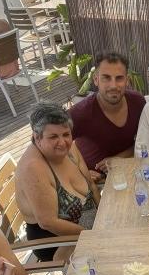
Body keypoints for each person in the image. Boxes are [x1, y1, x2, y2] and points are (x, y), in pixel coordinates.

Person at [15, 103, 99, 254]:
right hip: (58, 243)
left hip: (93, 228)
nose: (62, 142)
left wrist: (104, 218)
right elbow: (48, 223)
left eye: (66, 134)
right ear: (37, 137)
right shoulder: (33, 168)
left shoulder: (69, 148)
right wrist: (95, 236)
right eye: (53, 137)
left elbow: (91, 186)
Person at [69, 51, 146, 175]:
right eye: (106, 78)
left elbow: (144, 141)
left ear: (127, 80)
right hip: (96, 180)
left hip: (130, 171)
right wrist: (80, 173)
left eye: (119, 78)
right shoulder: (80, 113)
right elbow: (52, 148)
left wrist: (119, 158)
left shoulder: (138, 102)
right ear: (96, 79)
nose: (113, 85)